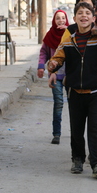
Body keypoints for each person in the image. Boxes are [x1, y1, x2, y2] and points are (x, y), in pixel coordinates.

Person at [47, 2, 97, 179]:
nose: (83, 16)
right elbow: (58, 57)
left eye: (87, 13)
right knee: (77, 130)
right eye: (80, 13)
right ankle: (77, 159)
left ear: (93, 18)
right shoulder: (69, 39)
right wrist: (52, 65)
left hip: (96, 92)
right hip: (75, 92)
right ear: (75, 18)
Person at [38, 9, 69, 145]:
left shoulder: (71, 34)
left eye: (63, 18)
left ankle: (76, 132)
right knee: (58, 103)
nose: (61, 20)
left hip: (71, 76)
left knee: (75, 105)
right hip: (55, 76)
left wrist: (69, 31)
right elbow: (44, 52)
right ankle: (56, 134)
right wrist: (40, 66)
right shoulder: (50, 35)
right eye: (58, 18)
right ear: (54, 20)